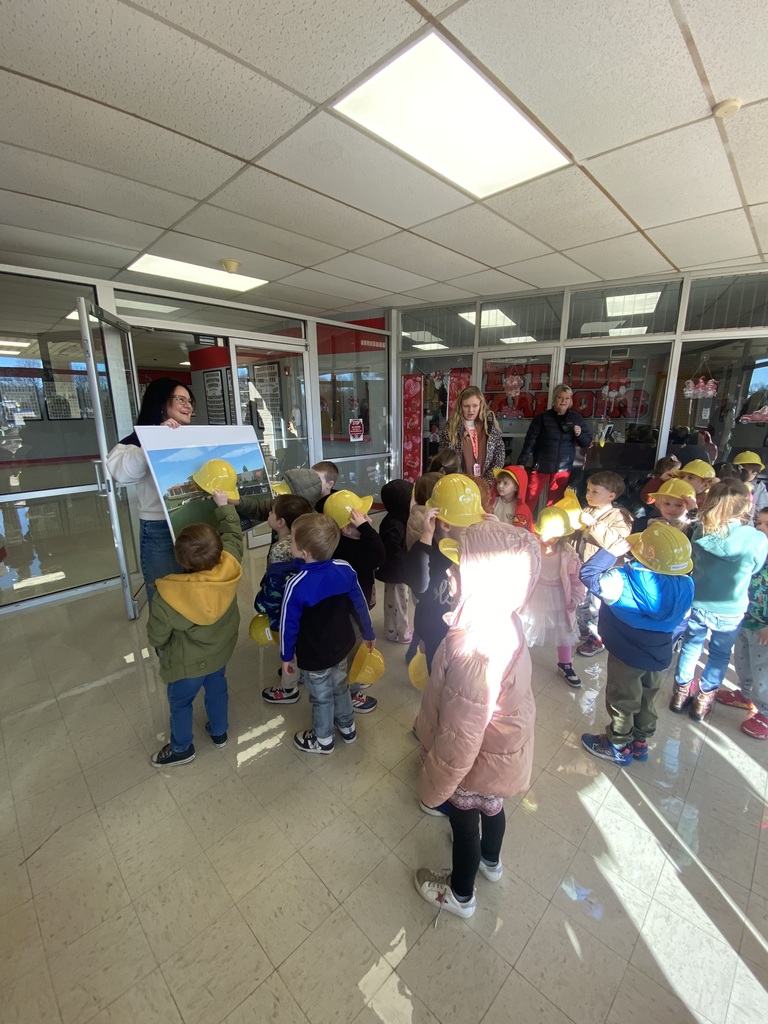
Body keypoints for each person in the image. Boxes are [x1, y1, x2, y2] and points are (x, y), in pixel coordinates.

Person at [413, 520, 540, 919]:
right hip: (500, 747)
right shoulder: (502, 616)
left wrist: (438, 781)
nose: (448, 573)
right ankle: (491, 862)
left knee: (464, 820)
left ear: (484, 579)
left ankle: (461, 895)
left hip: (476, 756)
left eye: (458, 568)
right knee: (493, 809)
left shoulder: (475, 644)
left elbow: (461, 731)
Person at [580, 520, 694, 766]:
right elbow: (682, 622)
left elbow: (588, 575)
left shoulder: (620, 580)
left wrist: (610, 552)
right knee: (646, 697)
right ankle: (640, 742)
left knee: (622, 699)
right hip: (658, 654)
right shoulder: (687, 585)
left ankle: (618, 744)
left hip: (625, 654)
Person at [147, 490, 242, 766]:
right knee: (217, 690)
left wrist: (163, 649)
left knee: (180, 703)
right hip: (220, 654)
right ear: (219, 552)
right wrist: (223, 507)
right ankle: (219, 732)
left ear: (181, 559)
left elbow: (157, 635)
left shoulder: (169, 595)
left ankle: (182, 748)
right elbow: (234, 536)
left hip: (186, 666)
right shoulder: (230, 568)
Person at [670, 479, 768, 720]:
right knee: (719, 654)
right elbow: (756, 568)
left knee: (691, 646)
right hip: (731, 609)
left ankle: (680, 695)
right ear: (746, 508)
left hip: (698, 601)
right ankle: (702, 703)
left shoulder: (701, 530)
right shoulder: (757, 539)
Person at [280, 512, 376, 754]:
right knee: (340, 685)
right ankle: (348, 727)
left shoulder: (296, 584)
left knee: (321, 696)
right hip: (342, 644)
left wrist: (286, 657)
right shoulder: (345, 569)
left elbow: (287, 626)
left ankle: (323, 739)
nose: (289, 542)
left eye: (291, 539)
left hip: (314, 654)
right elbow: (359, 604)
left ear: (303, 552)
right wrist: (368, 632)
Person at [106, 377, 195, 603]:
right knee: (165, 596)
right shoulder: (133, 443)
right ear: (161, 403)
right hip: (160, 528)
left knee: (194, 593)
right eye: (181, 399)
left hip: (194, 523)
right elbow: (123, 474)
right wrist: (154, 438)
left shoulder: (192, 438)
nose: (188, 406)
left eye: (189, 401)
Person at [405, 474, 485, 672]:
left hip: (458, 629)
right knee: (436, 671)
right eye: (470, 524)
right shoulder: (424, 550)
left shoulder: (464, 546)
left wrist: (494, 530)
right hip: (433, 629)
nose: (475, 528)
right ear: (446, 525)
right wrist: (426, 536)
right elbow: (420, 586)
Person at [320, 489, 385, 713]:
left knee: (348, 650)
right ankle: (352, 692)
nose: (369, 521)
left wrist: (363, 528)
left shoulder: (337, 545)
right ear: (349, 528)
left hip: (343, 610)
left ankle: (348, 683)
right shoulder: (355, 550)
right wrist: (367, 530)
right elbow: (379, 554)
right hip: (354, 612)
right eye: (364, 518)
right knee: (355, 651)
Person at [520, 506, 585, 688]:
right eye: (546, 534)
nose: (550, 539)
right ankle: (516, 661)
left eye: (556, 536)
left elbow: (576, 579)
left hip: (559, 597)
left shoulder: (568, 554)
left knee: (563, 632)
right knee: (525, 628)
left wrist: (576, 597)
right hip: (533, 595)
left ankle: (565, 664)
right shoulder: (530, 547)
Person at [717, 508, 768, 737]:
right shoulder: (757, 549)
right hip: (745, 617)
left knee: (763, 671)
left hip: (764, 627)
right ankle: (746, 695)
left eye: (767, 525)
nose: (760, 528)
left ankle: (765, 713)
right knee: (742, 660)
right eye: (759, 523)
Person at [573, 471, 634, 657]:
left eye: (595, 492)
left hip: (603, 570)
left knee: (597, 605)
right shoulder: (588, 511)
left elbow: (616, 542)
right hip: (583, 564)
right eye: (588, 490)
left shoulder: (621, 517)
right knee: (581, 600)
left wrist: (593, 524)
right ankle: (584, 628)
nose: (589, 495)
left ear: (611, 496)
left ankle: (597, 637)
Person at [518, 384, 592, 509]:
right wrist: (521, 462)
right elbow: (530, 441)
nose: (563, 401)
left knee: (555, 501)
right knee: (529, 498)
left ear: (570, 401)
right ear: (554, 399)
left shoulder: (576, 418)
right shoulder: (542, 418)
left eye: (567, 398)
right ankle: (523, 523)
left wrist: (579, 434)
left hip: (563, 466)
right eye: (560, 397)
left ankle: (549, 527)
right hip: (542, 464)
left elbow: (587, 442)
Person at [438, 385, 505, 486]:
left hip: (485, 485)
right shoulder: (451, 428)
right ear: (460, 406)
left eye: (475, 406)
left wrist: (486, 481)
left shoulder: (489, 426)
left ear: (481, 405)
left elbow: (499, 455)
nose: (471, 410)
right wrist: (462, 482)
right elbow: (446, 458)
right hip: (460, 485)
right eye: (466, 406)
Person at [375, 479, 414, 644]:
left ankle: (393, 629)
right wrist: (405, 569)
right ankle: (400, 633)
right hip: (396, 572)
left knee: (396, 602)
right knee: (397, 603)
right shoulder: (393, 524)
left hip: (398, 571)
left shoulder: (400, 518)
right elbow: (393, 553)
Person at [491, 464, 533, 530]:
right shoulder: (491, 502)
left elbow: (526, 534)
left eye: (505, 483)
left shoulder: (523, 510)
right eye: (499, 482)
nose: (500, 486)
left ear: (516, 487)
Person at [732, 451, 768, 521]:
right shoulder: (730, 484)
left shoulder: (759, 486)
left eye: (754, 470)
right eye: (747, 469)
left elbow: (762, 509)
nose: (751, 473)